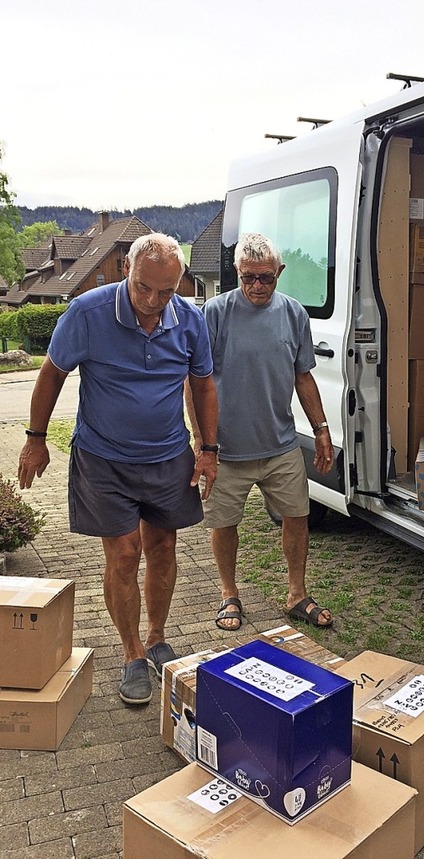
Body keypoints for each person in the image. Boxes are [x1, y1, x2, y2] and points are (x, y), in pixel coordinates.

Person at [17, 233, 219, 705]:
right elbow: (51, 372)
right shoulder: (87, 313)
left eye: (166, 291)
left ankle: (156, 635)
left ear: (180, 283)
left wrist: (208, 448)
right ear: (127, 270)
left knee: (163, 547)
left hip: (169, 455)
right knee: (125, 554)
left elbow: (204, 385)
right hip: (104, 457)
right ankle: (131, 653)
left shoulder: (190, 320)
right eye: (143, 287)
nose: (153, 301)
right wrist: (35, 439)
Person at [186, 232, 334, 631]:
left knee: (297, 516)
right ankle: (228, 595)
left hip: (280, 444)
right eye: (248, 277)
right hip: (226, 448)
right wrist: (203, 443)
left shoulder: (293, 314)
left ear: (279, 273)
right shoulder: (213, 313)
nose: (256, 286)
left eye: (265, 278)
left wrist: (321, 429)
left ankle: (296, 594)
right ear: (236, 272)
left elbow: (303, 376)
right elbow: (195, 381)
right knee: (224, 523)